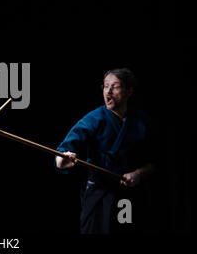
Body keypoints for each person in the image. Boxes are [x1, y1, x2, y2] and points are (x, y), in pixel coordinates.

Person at [55, 68, 156, 234]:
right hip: (99, 192)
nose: (108, 91)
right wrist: (62, 159)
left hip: (128, 193)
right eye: (105, 86)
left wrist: (139, 173)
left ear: (129, 91)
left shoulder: (142, 121)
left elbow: (155, 161)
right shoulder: (94, 118)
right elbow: (66, 148)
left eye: (115, 86)